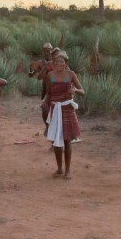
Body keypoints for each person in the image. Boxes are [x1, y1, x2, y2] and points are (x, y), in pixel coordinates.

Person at [43, 50, 84, 179]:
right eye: (56, 61)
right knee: (56, 140)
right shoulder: (50, 75)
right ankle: (59, 169)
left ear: (66, 63)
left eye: (61, 61)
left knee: (67, 141)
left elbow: (82, 91)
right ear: (53, 63)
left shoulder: (71, 74)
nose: (58, 63)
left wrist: (75, 90)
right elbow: (49, 93)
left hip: (67, 109)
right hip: (55, 109)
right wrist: (45, 104)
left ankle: (68, 171)